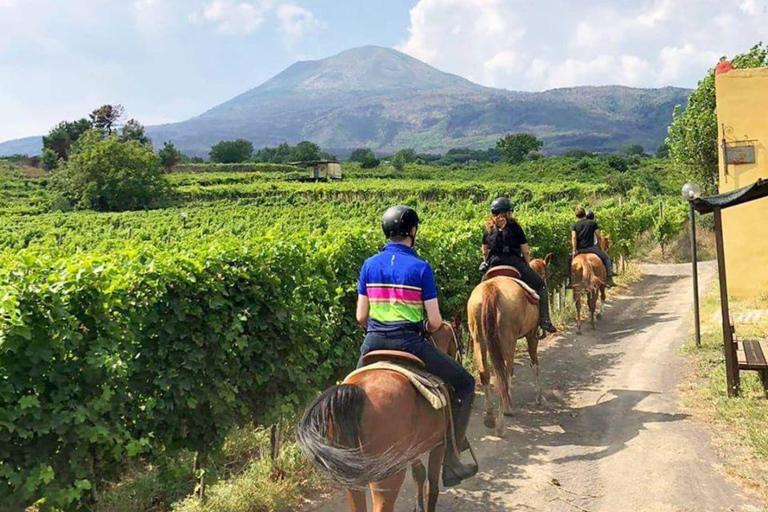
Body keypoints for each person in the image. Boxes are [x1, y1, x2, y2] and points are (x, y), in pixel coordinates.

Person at [356, 205, 478, 488]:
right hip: (410, 343)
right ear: (412, 231)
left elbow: (361, 317)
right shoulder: (421, 267)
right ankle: (452, 459)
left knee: (348, 394)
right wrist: (419, 327)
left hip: (372, 342)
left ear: (386, 232)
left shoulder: (368, 265)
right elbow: (435, 322)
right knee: (465, 384)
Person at [478, 197, 557, 334]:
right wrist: (527, 264)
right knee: (541, 286)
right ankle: (545, 320)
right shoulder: (515, 227)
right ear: (507, 213)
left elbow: (484, 251)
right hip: (514, 263)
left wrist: (486, 261)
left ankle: (476, 328)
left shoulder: (488, 229)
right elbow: (525, 251)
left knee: (479, 292)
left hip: (493, 265)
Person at [567, 207, 615, 288]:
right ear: (584, 214)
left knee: (568, 261)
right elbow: (598, 236)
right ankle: (609, 279)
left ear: (576, 216)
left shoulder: (574, 225)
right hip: (591, 248)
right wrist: (601, 248)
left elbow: (574, 238)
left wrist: (574, 250)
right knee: (607, 259)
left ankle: (570, 281)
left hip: (580, 250)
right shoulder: (592, 223)